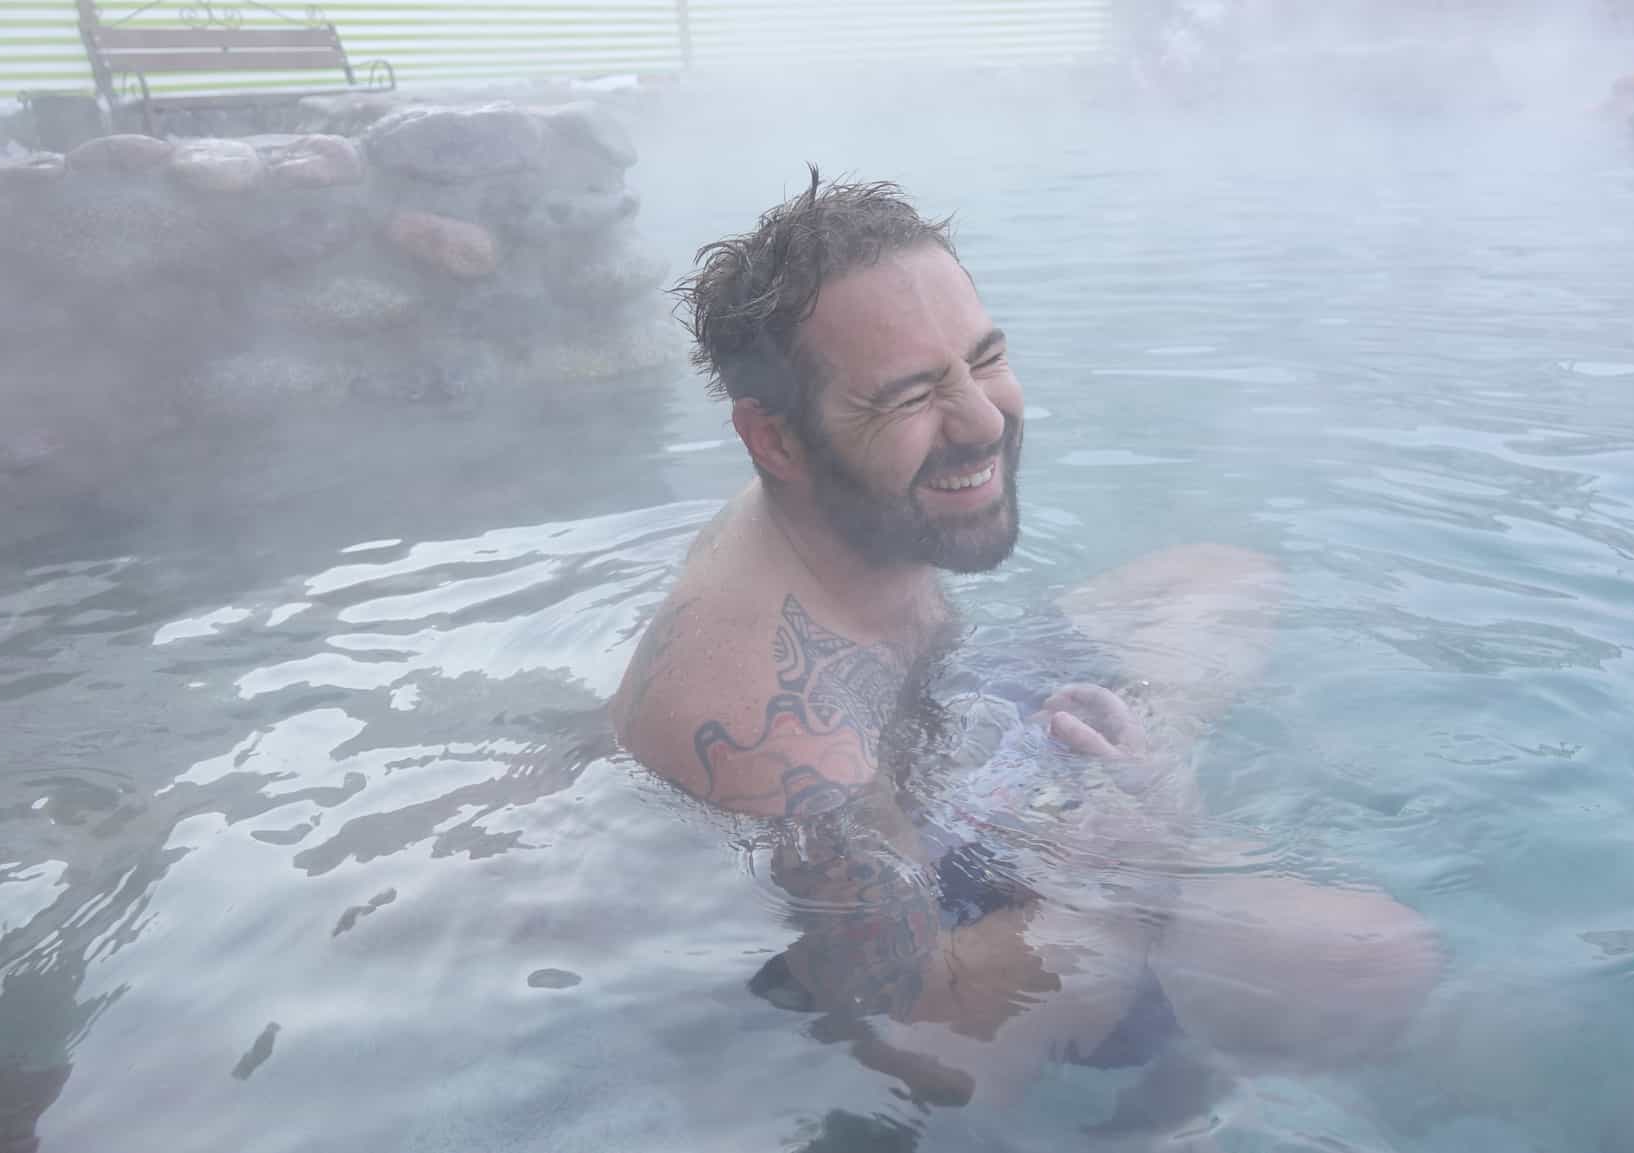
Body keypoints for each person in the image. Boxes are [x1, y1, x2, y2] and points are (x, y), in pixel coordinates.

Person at [610, 169, 1437, 1122]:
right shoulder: (780, 732)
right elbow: (932, 1048)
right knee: (1381, 960)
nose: (985, 420)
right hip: (924, 904)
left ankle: (1131, 773)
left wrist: (1138, 752)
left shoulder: (840, 515)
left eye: (983, 357)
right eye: (912, 394)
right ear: (777, 441)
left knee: (1224, 581)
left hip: (941, 725)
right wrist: (1133, 867)